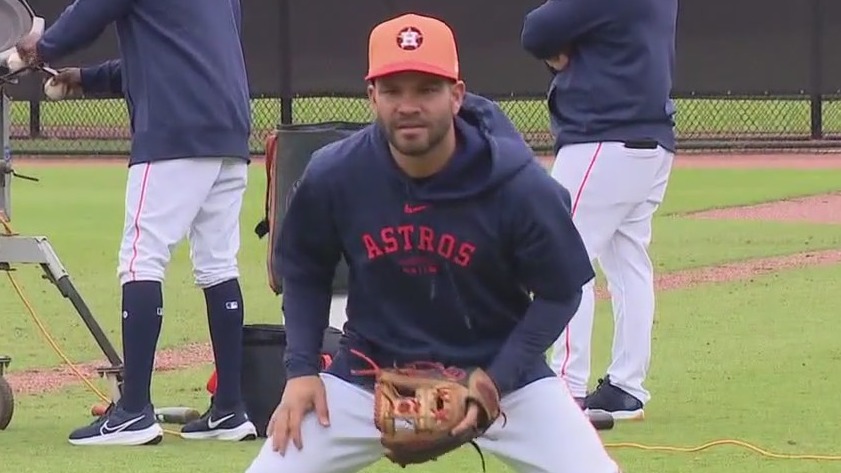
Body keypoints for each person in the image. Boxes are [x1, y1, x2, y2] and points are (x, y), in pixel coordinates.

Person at [244, 12, 620, 473]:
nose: (408, 105)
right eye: (393, 90)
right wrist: (302, 370)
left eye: (426, 89)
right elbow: (304, 268)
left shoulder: (517, 184)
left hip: (501, 380)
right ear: (372, 97)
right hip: (369, 377)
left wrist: (493, 384)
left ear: (457, 95)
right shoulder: (335, 175)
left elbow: (562, 291)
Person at [14, 0, 257, 445]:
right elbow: (172, 54)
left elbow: (87, 16)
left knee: (141, 260)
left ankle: (133, 412)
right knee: (219, 264)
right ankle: (229, 410)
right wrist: (85, 79)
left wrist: (38, 48)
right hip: (230, 130)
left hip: (174, 132)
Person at [520, 0, 679, 420]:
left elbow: (536, 29)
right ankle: (627, 388)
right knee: (628, 264)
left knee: (563, 258)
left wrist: (559, 51)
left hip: (604, 136)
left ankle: (566, 388)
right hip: (650, 138)